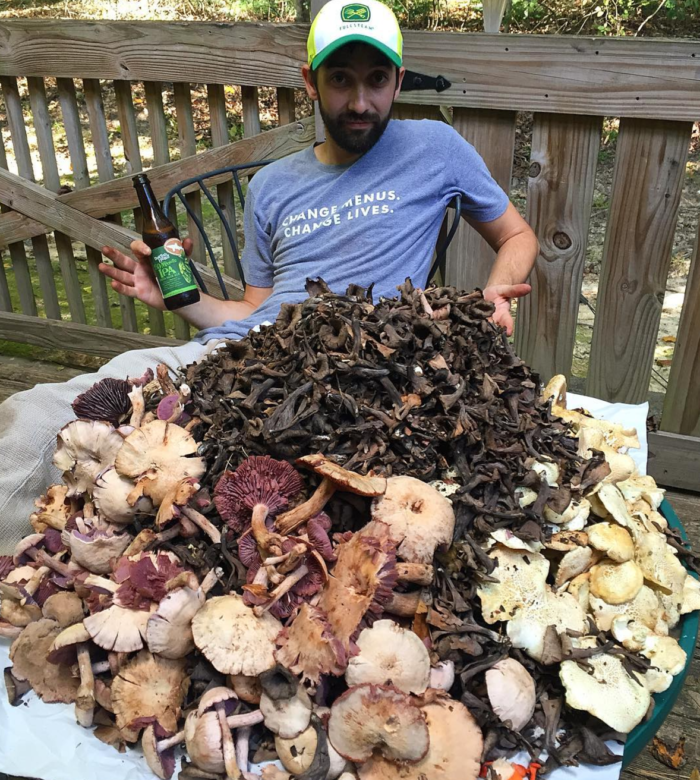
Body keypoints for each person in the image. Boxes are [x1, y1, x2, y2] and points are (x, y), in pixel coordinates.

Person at [0, 0, 538, 553]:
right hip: (244, 357)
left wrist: (496, 292)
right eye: (340, 79)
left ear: (398, 79)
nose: (359, 101)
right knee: (43, 411)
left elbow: (517, 237)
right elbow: (253, 310)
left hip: (363, 370)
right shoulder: (273, 185)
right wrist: (181, 300)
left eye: (377, 79)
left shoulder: (437, 148)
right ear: (310, 80)